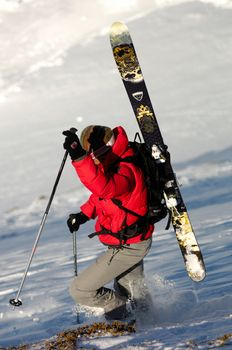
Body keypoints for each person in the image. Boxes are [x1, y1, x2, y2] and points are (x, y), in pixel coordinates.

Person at [63, 125, 154, 320]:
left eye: (94, 154)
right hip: (133, 239)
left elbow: (106, 189)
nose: (93, 160)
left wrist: (79, 157)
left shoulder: (126, 169)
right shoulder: (116, 162)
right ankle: (150, 324)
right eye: (90, 155)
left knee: (80, 290)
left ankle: (121, 317)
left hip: (129, 246)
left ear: (107, 149)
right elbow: (104, 198)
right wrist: (84, 215)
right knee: (133, 290)